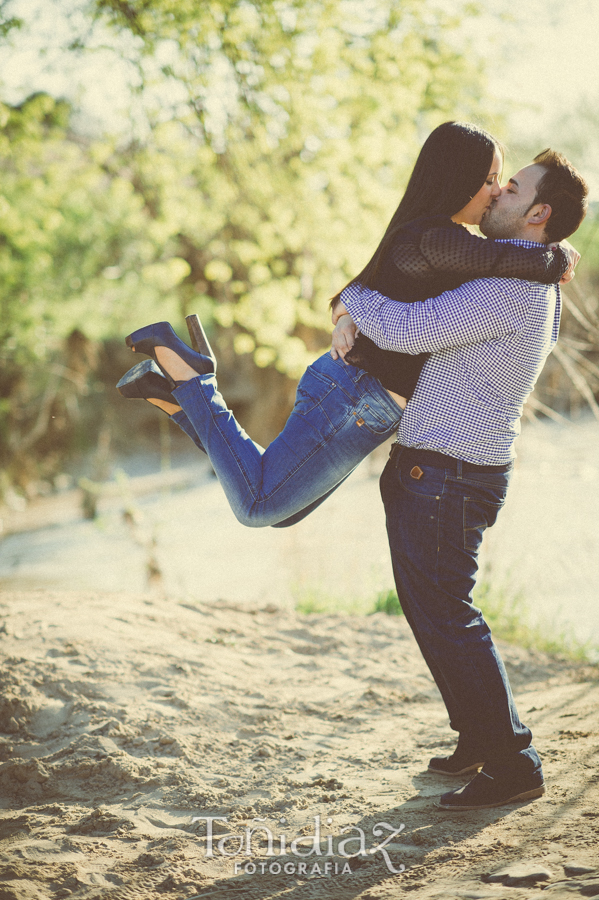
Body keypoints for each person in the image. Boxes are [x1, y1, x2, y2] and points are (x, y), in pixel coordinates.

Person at [117, 123, 574, 531]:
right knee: (258, 505)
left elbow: (390, 283)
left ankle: (177, 396)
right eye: (491, 180)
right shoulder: (441, 238)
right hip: (357, 396)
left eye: (502, 183)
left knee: (281, 509)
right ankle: (191, 378)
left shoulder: (434, 235)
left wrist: (349, 305)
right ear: (459, 179)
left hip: (357, 395)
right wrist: (553, 257)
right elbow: (493, 261)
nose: (495, 192)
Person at [332, 148, 588, 810]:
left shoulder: (509, 289)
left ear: (537, 212)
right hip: (446, 470)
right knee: (434, 610)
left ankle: (512, 761)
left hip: (447, 475)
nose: (495, 193)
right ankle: (477, 736)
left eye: (510, 188)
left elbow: (406, 328)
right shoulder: (521, 282)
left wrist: (350, 294)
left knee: (447, 613)